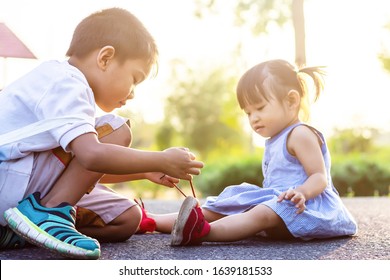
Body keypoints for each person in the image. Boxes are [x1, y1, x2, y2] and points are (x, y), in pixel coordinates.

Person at [0, 8, 203, 259]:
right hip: (9, 180)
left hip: (19, 185)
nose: (132, 93)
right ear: (105, 58)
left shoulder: (68, 90)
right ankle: (49, 212)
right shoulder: (65, 81)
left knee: (127, 219)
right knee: (116, 130)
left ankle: (20, 231)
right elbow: (91, 156)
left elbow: (78, 171)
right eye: (134, 78)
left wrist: (145, 171)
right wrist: (161, 159)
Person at [142, 59, 358, 245]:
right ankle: (150, 221)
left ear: (291, 101)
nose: (253, 118)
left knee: (261, 213)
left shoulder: (300, 134)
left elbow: (319, 177)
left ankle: (203, 233)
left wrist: (302, 192)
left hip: (306, 206)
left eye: (260, 108)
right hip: (279, 203)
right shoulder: (277, 138)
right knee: (225, 206)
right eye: (248, 112)